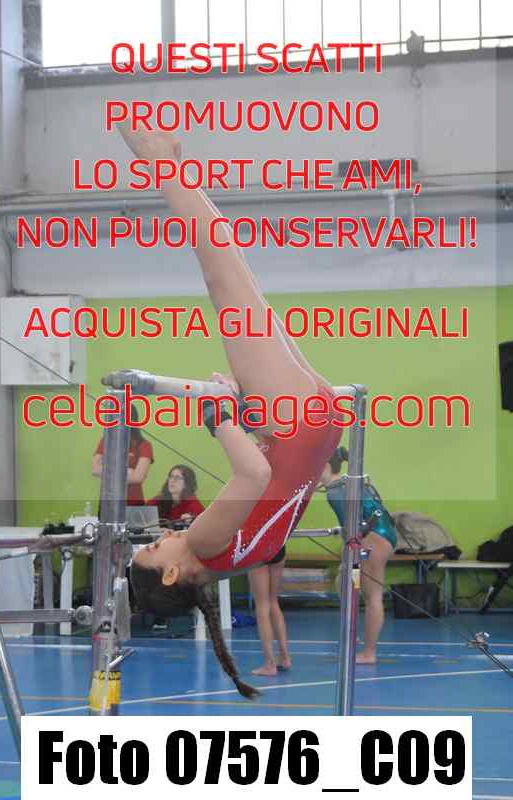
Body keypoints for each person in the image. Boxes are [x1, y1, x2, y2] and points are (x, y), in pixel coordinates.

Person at [121, 124, 343, 698]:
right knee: (223, 276)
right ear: (172, 571)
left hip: (309, 428)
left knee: (238, 279)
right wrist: (220, 414)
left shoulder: (237, 561)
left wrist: (242, 417)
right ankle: (162, 163)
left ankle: (172, 165)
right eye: (155, 548)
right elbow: (255, 474)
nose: (161, 536)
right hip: (292, 424)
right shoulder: (205, 542)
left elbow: (279, 490)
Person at [319, 446, 397, 665]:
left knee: (372, 596)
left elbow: (352, 528)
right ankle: (354, 636)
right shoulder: (345, 483)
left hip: (374, 539)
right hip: (379, 535)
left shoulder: (336, 491)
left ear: (325, 466)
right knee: (345, 582)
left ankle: (369, 653)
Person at [92, 406, 153, 505]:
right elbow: (95, 470)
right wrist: (129, 472)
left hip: (133, 503)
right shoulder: (106, 441)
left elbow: (138, 477)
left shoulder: (144, 445)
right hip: (108, 501)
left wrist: (108, 470)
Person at [248, 546, 291, 676]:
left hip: (258, 550)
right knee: (273, 601)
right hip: (278, 548)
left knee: (262, 605)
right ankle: (285, 658)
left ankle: (269, 664)